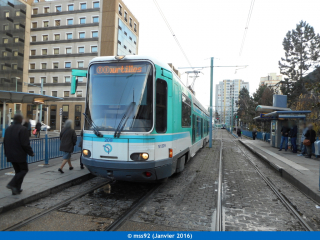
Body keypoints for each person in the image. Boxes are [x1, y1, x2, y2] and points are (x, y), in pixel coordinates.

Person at [4, 114, 34, 195]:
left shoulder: (8, 129)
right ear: (20, 120)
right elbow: (25, 144)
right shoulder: (23, 129)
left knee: (18, 171)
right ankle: (12, 184)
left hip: (10, 154)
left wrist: (6, 153)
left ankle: (16, 189)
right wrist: (30, 152)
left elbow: (4, 142)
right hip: (19, 154)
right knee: (24, 170)